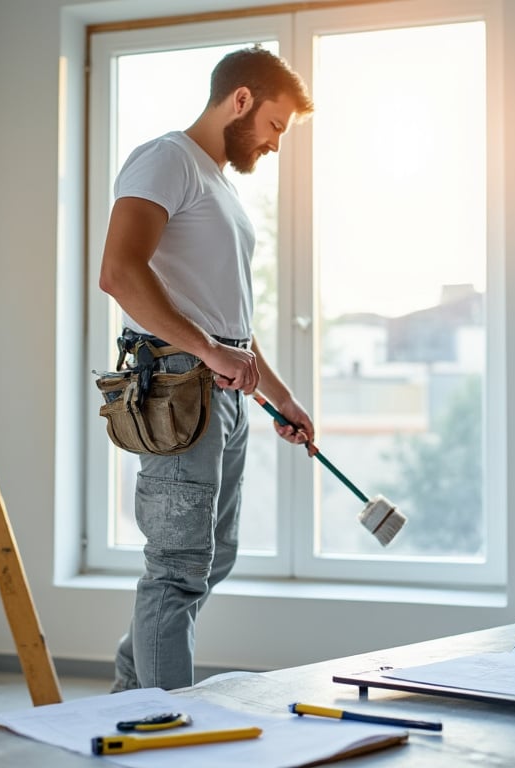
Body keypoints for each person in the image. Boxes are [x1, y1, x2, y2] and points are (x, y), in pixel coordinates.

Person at [98, 46, 315, 692]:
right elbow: (119, 272)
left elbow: (230, 325)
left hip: (221, 390)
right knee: (177, 569)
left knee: (212, 559)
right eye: (274, 125)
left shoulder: (220, 186)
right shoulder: (167, 159)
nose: (274, 144)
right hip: (179, 386)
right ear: (240, 100)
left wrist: (282, 397)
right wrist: (211, 352)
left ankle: (129, 693)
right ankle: (165, 727)